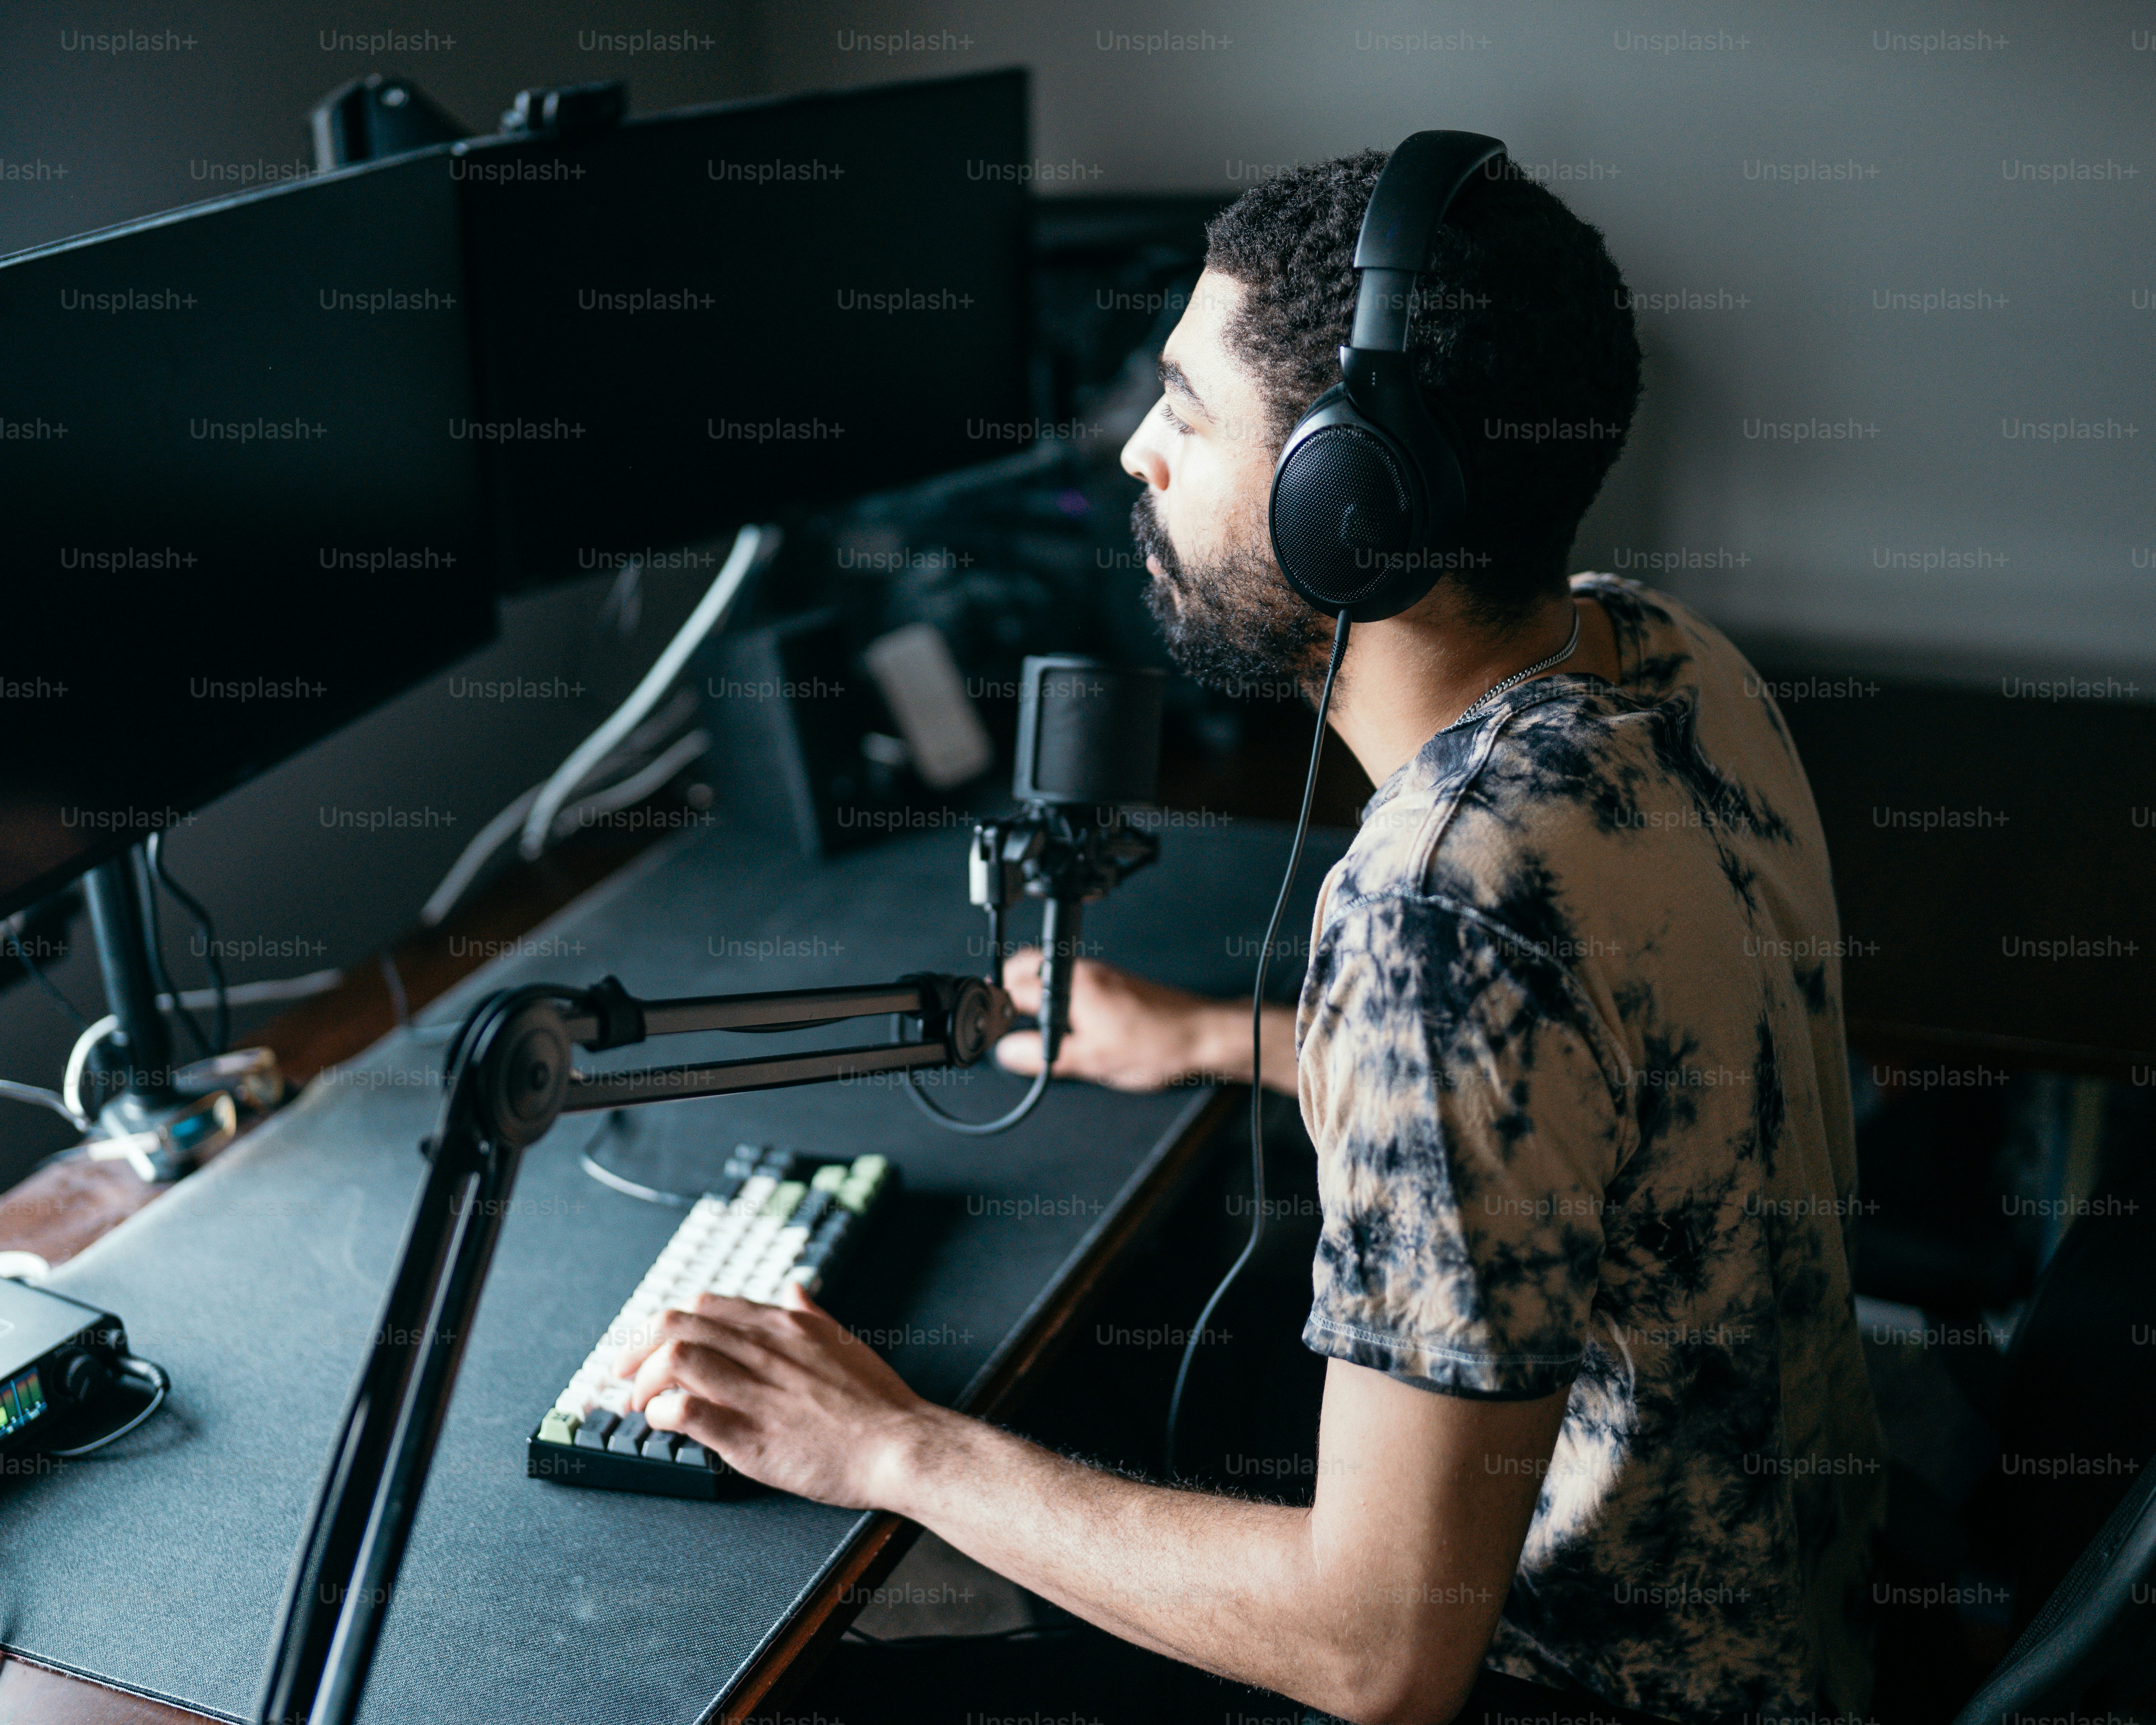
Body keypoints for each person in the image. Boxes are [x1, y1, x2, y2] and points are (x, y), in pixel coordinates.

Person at [617, 150, 1885, 1725]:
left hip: (1594, 1688)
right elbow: (1601, 1092)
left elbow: (1380, 1651)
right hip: (1798, 1614)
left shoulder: (1444, 900)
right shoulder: (1663, 659)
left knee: (861, 1637)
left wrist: (892, 1445)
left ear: (1349, 500)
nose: (1138, 451)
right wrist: (1220, 1039)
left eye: (1186, 408)